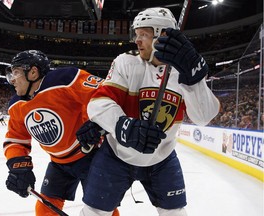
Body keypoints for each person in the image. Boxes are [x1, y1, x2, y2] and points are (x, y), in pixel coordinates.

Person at [76, 7, 220, 216]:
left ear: (163, 35)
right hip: (117, 155)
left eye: (143, 34)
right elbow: (99, 102)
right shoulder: (126, 61)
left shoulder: (183, 70)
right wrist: (125, 127)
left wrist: (194, 78)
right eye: (137, 34)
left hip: (162, 159)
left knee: (176, 213)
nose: (137, 40)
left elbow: (203, 117)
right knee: (93, 212)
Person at [3, 50, 119, 216]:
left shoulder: (65, 79)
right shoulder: (16, 104)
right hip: (59, 164)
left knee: (102, 209)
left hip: (91, 156)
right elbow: (16, 139)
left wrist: (95, 123)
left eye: (16, 72)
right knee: (44, 209)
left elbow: (104, 93)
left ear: (33, 72)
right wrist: (18, 167)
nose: (12, 79)